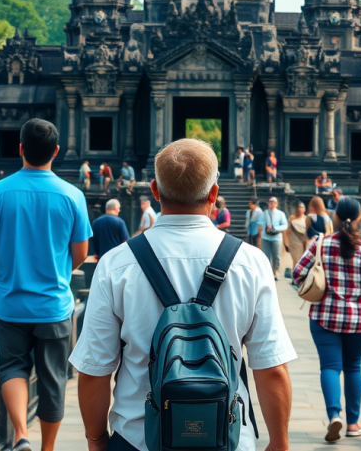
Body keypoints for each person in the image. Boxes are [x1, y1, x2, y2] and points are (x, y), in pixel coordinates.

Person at [71, 138, 297, 451]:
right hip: (227, 437)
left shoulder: (116, 263)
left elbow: (94, 370)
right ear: (214, 194)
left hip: (138, 438)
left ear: (155, 190)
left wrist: (96, 440)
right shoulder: (250, 262)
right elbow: (271, 368)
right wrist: (280, 442)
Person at [0, 119, 92, 451]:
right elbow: (81, 252)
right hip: (54, 305)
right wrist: (59, 272)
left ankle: (21, 434)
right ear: (56, 151)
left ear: (21, 149)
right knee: (53, 378)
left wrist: (4, 275)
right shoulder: (72, 196)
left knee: (13, 367)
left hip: (10, 301)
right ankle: (47, 448)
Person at [293, 198, 361, 442]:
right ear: (358, 219)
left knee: (330, 367)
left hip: (324, 317)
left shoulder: (320, 244)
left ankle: (334, 415)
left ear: (335, 217)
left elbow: (297, 274)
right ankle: (353, 424)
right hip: (358, 321)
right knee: (353, 367)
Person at [261, 197, 288, 280]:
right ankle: (267, 272)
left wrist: (275, 228)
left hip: (277, 237)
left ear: (276, 204)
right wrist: (265, 228)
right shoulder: (264, 213)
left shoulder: (281, 214)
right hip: (266, 237)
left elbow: (285, 225)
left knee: (276, 256)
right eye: (270, 202)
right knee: (266, 256)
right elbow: (260, 223)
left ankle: (275, 270)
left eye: (273, 202)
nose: (272, 204)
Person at [285, 201, 309, 273]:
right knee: (296, 260)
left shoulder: (307, 219)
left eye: (301, 207)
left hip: (304, 241)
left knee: (303, 260)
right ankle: (295, 275)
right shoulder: (292, 218)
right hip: (294, 241)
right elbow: (287, 231)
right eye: (298, 207)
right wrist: (286, 243)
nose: (299, 209)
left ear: (304, 209)